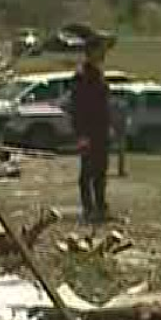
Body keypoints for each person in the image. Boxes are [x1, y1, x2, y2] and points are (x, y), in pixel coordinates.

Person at [68, 31, 116, 224]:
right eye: (100, 50)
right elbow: (78, 107)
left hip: (101, 130)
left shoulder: (98, 74)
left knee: (101, 171)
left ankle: (101, 207)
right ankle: (89, 209)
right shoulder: (83, 76)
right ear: (91, 51)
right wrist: (81, 134)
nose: (103, 53)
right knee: (88, 172)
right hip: (89, 131)